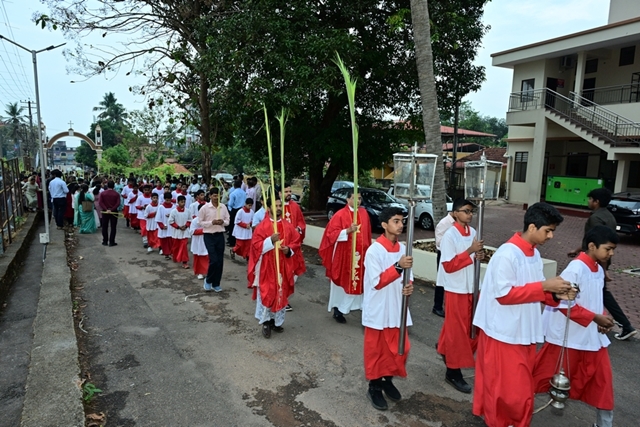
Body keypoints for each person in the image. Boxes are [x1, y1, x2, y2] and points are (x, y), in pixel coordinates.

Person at [472, 202, 576, 427]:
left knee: (519, 391)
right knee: (506, 392)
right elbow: (504, 295)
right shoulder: (507, 254)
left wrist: (557, 295)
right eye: (548, 230)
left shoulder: (534, 254)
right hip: (503, 333)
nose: (550, 236)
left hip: (523, 331)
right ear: (532, 227)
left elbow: (536, 289)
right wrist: (545, 286)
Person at [533, 225, 618, 427]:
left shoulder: (598, 269)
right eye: (608, 249)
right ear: (592, 246)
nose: (611, 254)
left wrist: (603, 318)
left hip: (592, 338)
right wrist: (595, 318)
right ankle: (512, 415)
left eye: (613, 249)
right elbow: (563, 303)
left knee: (603, 384)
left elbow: (595, 300)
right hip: (567, 338)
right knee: (537, 379)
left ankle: (603, 424)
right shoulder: (576, 269)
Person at [362, 207, 414, 411]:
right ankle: (374, 387)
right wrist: (398, 267)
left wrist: (409, 285)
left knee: (400, 348)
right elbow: (377, 282)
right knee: (376, 350)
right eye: (396, 221)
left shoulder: (403, 248)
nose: (400, 225)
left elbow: (410, 276)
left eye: (402, 221)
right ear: (384, 225)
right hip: (379, 307)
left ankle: (387, 379)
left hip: (397, 306)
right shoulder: (374, 251)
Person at [568, 187, 636, 341]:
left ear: (596, 201)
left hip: (596, 262)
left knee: (599, 293)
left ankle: (624, 325)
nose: (588, 202)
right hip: (601, 261)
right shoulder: (609, 216)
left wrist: (603, 270)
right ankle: (619, 324)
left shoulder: (595, 219)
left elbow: (595, 242)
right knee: (600, 292)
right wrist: (577, 250)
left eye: (590, 199)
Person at [436, 199, 484, 394]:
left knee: (472, 326)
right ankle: (453, 371)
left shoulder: (473, 232)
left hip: (471, 286)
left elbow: (475, 257)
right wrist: (470, 251)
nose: (470, 215)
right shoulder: (450, 235)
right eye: (466, 211)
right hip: (456, 289)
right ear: (455, 213)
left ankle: (445, 349)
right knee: (457, 330)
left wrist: (478, 256)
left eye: (471, 211)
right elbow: (448, 265)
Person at [248, 197, 301, 338]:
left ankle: (276, 321)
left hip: (283, 266)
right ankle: (265, 321)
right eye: (275, 205)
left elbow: (296, 241)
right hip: (267, 266)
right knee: (267, 293)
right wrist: (270, 240)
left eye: (280, 205)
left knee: (280, 293)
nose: (278, 208)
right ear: (269, 208)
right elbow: (256, 246)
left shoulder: (287, 225)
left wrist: (288, 250)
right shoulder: (262, 226)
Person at [319, 191, 372, 324]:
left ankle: (359, 308)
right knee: (343, 282)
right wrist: (347, 231)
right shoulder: (340, 215)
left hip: (361, 256)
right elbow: (330, 235)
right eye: (354, 198)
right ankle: (338, 310)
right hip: (344, 256)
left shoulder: (364, 213)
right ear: (348, 199)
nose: (358, 201)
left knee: (359, 282)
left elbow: (367, 234)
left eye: (359, 198)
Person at [280, 183, 307, 311]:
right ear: (279, 193)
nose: (289, 193)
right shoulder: (277, 207)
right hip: (281, 247)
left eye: (290, 191)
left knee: (293, 273)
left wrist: (299, 229)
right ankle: (282, 299)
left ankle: (284, 297)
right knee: (282, 274)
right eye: (286, 191)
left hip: (294, 247)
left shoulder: (295, 206)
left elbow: (301, 222)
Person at [199, 188, 230, 292]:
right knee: (214, 260)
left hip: (219, 235)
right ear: (210, 196)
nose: (216, 198)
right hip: (209, 235)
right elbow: (200, 222)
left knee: (220, 261)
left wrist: (222, 222)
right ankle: (208, 280)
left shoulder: (223, 207)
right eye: (214, 196)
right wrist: (211, 223)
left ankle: (216, 283)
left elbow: (228, 220)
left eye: (218, 196)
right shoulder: (205, 208)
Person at [432, 210, 456, 317]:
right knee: (441, 281)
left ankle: (449, 307)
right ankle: (437, 307)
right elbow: (439, 242)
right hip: (444, 254)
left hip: (454, 255)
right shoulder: (444, 223)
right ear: (455, 212)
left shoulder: (459, 223)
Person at [169, 195, 191, 269]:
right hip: (176, 232)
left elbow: (190, 220)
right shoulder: (173, 211)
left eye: (184, 202)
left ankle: (185, 262)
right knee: (176, 247)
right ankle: (175, 257)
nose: (183, 203)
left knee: (184, 247)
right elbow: (171, 221)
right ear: (178, 202)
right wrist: (178, 227)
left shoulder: (188, 211)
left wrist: (186, 226)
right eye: (181, 202)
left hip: (185, 231)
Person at [190, 204, 209, 280]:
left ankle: (208, 272)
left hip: (207, 240)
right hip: (198, 242)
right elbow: (192, 231)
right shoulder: (195, 221)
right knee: (198, 258)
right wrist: (204, 230)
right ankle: (200, 272)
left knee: (208, 257)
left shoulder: (209, 220)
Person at [99, 180, 121, 247]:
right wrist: (112, 209)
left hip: (105, 211)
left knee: (104, 226)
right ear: (114, 186)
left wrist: (106, 209)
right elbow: (118, 203)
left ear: (107, 185)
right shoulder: (116, 194)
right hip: (114, 212)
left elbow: (100, 202)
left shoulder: (103, 193)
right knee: (113, 227)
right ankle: (112, 241)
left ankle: (105, 241)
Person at [226, 179, 246, 247]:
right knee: (240, 225)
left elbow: (230, 204)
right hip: (242, 209)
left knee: (232, 225)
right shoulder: (244, 193)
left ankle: (232, 241)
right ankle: (240, 241)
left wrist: (230, 209)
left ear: (234, 185)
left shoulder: (233, 193)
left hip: (235, 210)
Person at [156, 192, 175, 260]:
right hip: (164, 226)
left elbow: (176, 216)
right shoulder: (161, 207)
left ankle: (171, 253)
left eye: (169, 200)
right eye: (167, 200)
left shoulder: (173, 207)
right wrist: (162, 226)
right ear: (164, 199)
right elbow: (158, 218)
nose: (168, 201)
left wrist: (171, 215)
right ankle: (166, 254)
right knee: (164, 241)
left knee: (171, 241)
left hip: (171, 226)